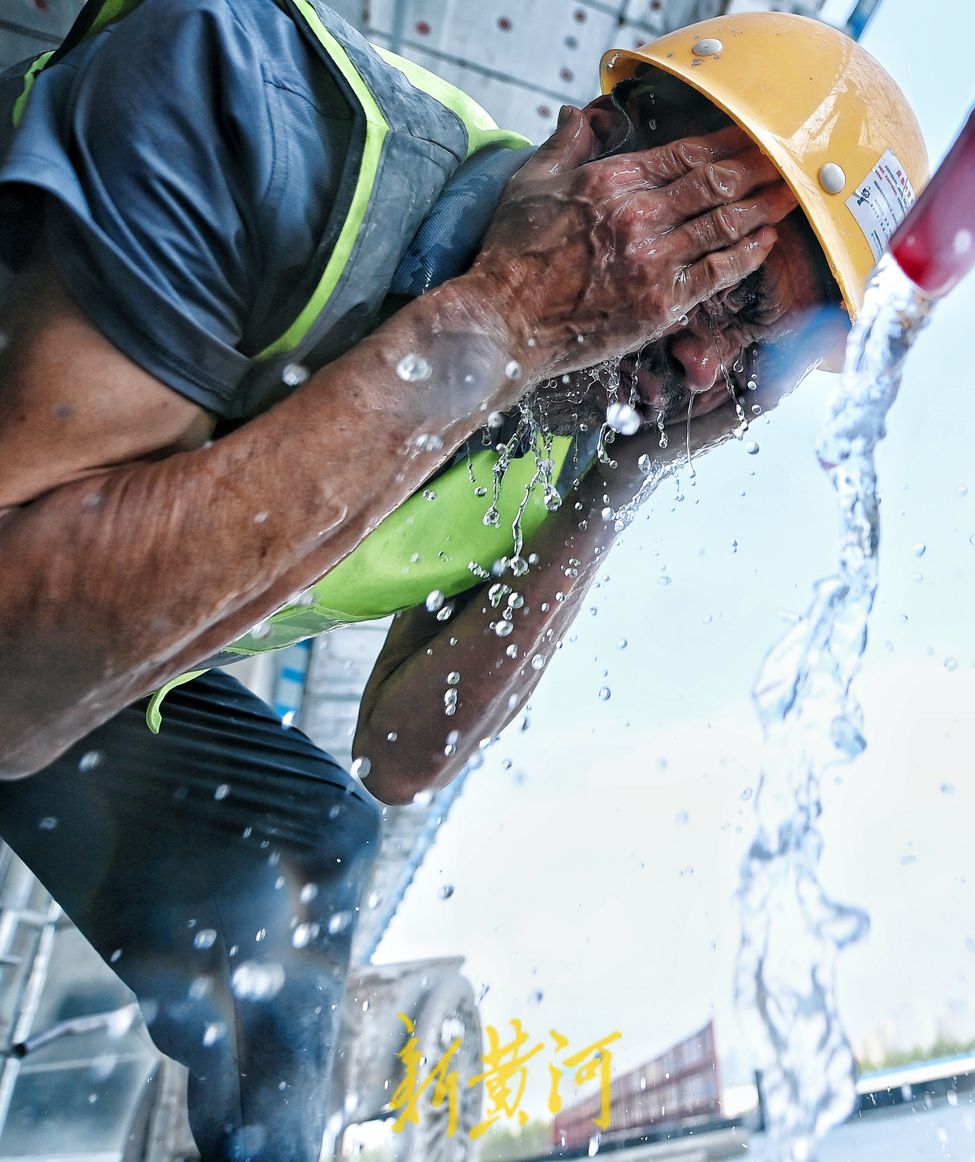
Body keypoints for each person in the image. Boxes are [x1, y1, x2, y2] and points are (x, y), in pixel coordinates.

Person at [0, 2, 926, 1158]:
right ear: (589, 145)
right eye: (718, 285)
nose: (699, 362)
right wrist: (504, 317)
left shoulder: (573, 430)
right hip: (32, 611)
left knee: (306, 846)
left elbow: (398, 756)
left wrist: (627, 469)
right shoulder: (253, 106)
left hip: (104, 652)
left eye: (751, 354)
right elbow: (14, 683)